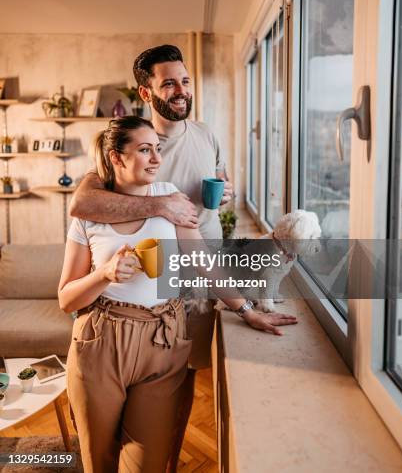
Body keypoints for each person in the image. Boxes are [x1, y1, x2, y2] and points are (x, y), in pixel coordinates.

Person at [69, 44, 294, 469]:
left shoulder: (206, 134)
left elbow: (219, 184)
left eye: (185, 81)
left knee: (181, 377)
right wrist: (159, 206)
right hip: (148, 277)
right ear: (146, 91)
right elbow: (82, 204)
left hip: (200, 271)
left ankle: (163, 459)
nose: (180, 90)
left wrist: (225, 192)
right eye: (168, 82)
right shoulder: (128, 143)